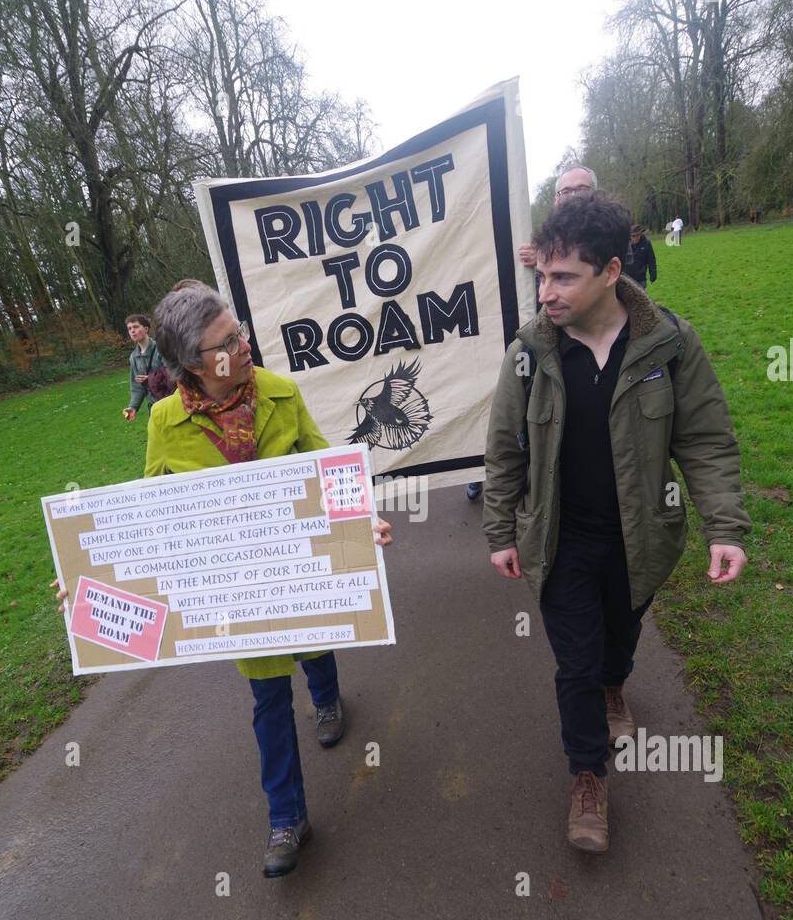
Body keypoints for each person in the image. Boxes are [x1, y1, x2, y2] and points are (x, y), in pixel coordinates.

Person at [55, 280, 392, 879]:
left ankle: (327, 698)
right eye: (227, 342)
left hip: (300, 577)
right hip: (239, 599)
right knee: (267, 699)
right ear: (191, 363)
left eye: (238, 332)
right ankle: (286, 817)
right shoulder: (164, 421)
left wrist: (362, 518)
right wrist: (90, 579)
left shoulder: (281, 393)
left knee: (316, 649)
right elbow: (148, 517)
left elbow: (325, 464)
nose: (243, 347)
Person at [483, 193, 748, 853]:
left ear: (608, 271)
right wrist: (498, 532)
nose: (546, 291)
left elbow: (706, 438)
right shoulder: (529, 352)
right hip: (559, 538)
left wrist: (723, 527)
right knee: (572, 663)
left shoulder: (668, 342)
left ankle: (615, 687)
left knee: (616, 641)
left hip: (639, 538)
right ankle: (586, 778)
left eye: (562, 276)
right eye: (540, 275)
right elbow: (504, 447)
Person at [467, 164, 602, 506]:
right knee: (517, 419)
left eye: (580, 190)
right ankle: (487, 475)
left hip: (586, 346)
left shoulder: (608, 234)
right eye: (565, 192)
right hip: (538, 343)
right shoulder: (540, 237)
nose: (572, 198)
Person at [123, 314, 166, 422]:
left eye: (136, 327)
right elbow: (137, 386)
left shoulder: (161, 349)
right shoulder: (134, 357)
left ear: (146, 329)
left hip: (171, 401)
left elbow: (173, 374)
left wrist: (151, 379)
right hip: (154, 407)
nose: (132, 331)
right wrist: (133, 407)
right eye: (129, 328)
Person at [622, 223, 657, 290]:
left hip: (641, 278)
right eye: (633, 236)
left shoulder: (646, 243)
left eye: (637, 235)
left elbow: (651, 260)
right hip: (627, 278)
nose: (635, 238)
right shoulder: (625, 244)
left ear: (641, 234)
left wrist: (653, 275)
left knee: (641, 299)